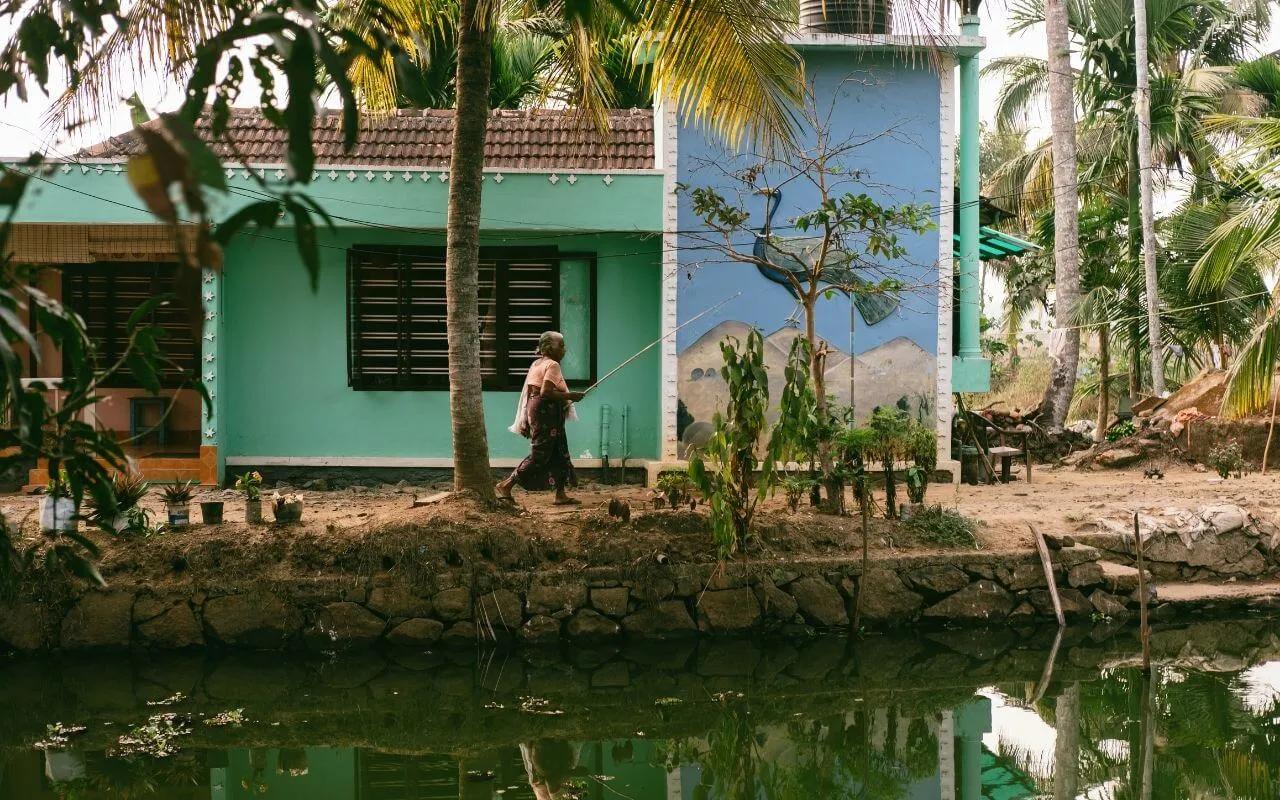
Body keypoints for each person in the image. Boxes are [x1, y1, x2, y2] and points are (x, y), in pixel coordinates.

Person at [498, 331, 584, 505]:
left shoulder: (537, 363)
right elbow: (545, 392)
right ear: (548, 348)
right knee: (540, 454)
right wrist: (570, 396)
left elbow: (530, 393)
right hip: (547, 412)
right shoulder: (553, 365)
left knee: (560, 450)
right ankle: (506, 485)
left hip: (538, 409)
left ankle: (560, 494)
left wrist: (525, 418)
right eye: (561, 345)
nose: (564, 349)